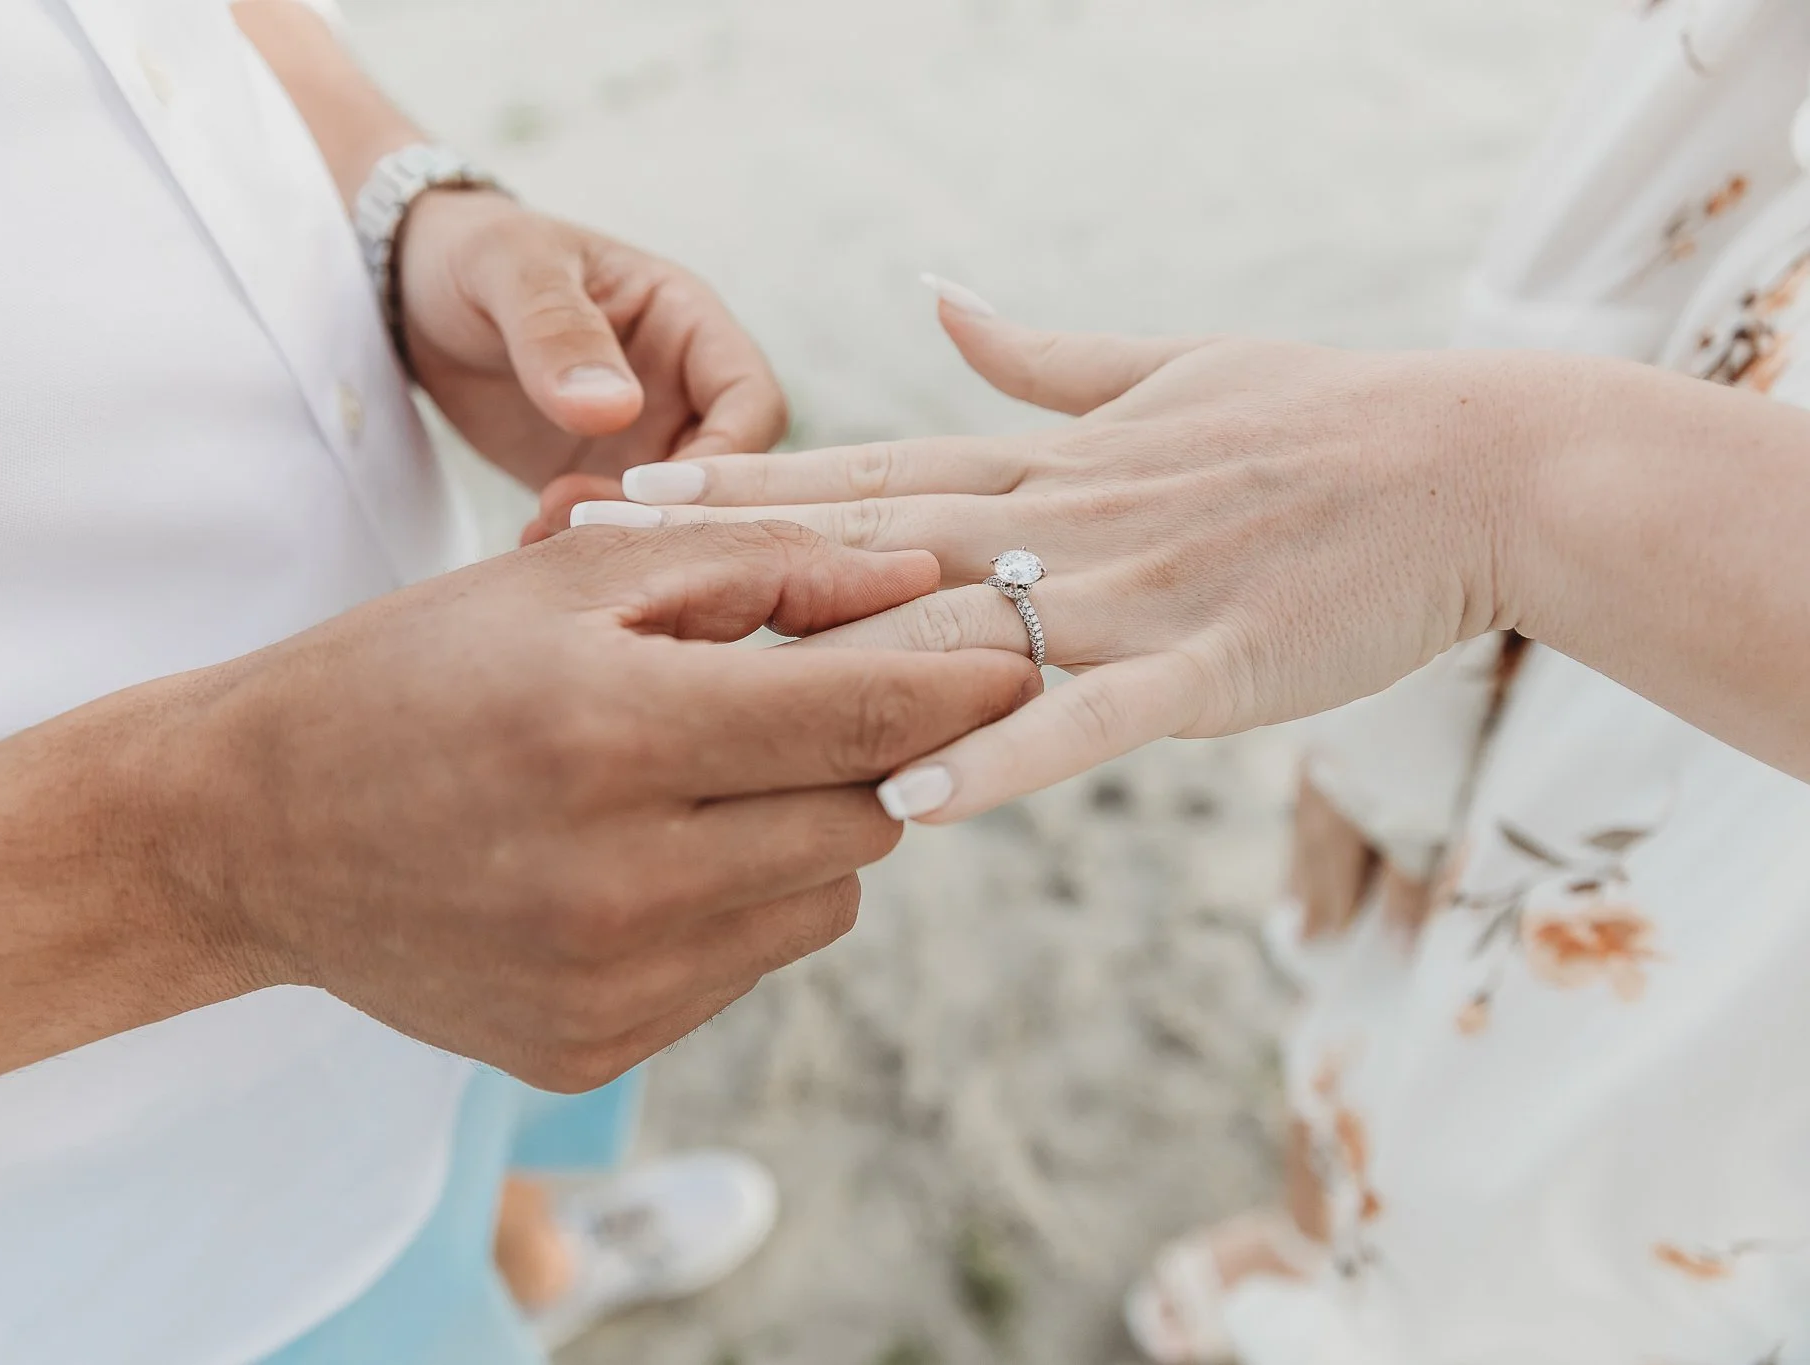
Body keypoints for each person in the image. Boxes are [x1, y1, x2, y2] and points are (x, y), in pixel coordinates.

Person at [0, 2, 1039, 1361]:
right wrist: (214, 851)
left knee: (486, 1119)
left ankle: (526, 1255)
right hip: (44, 1237)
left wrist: (407, 213)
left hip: (463, 760)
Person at [573, 1, 1810, 1359]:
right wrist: (1433, 672)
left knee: (1625, 1197)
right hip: (1657, 504)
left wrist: (1505, 493)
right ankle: (1346, 1271)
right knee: (1456, 1040)